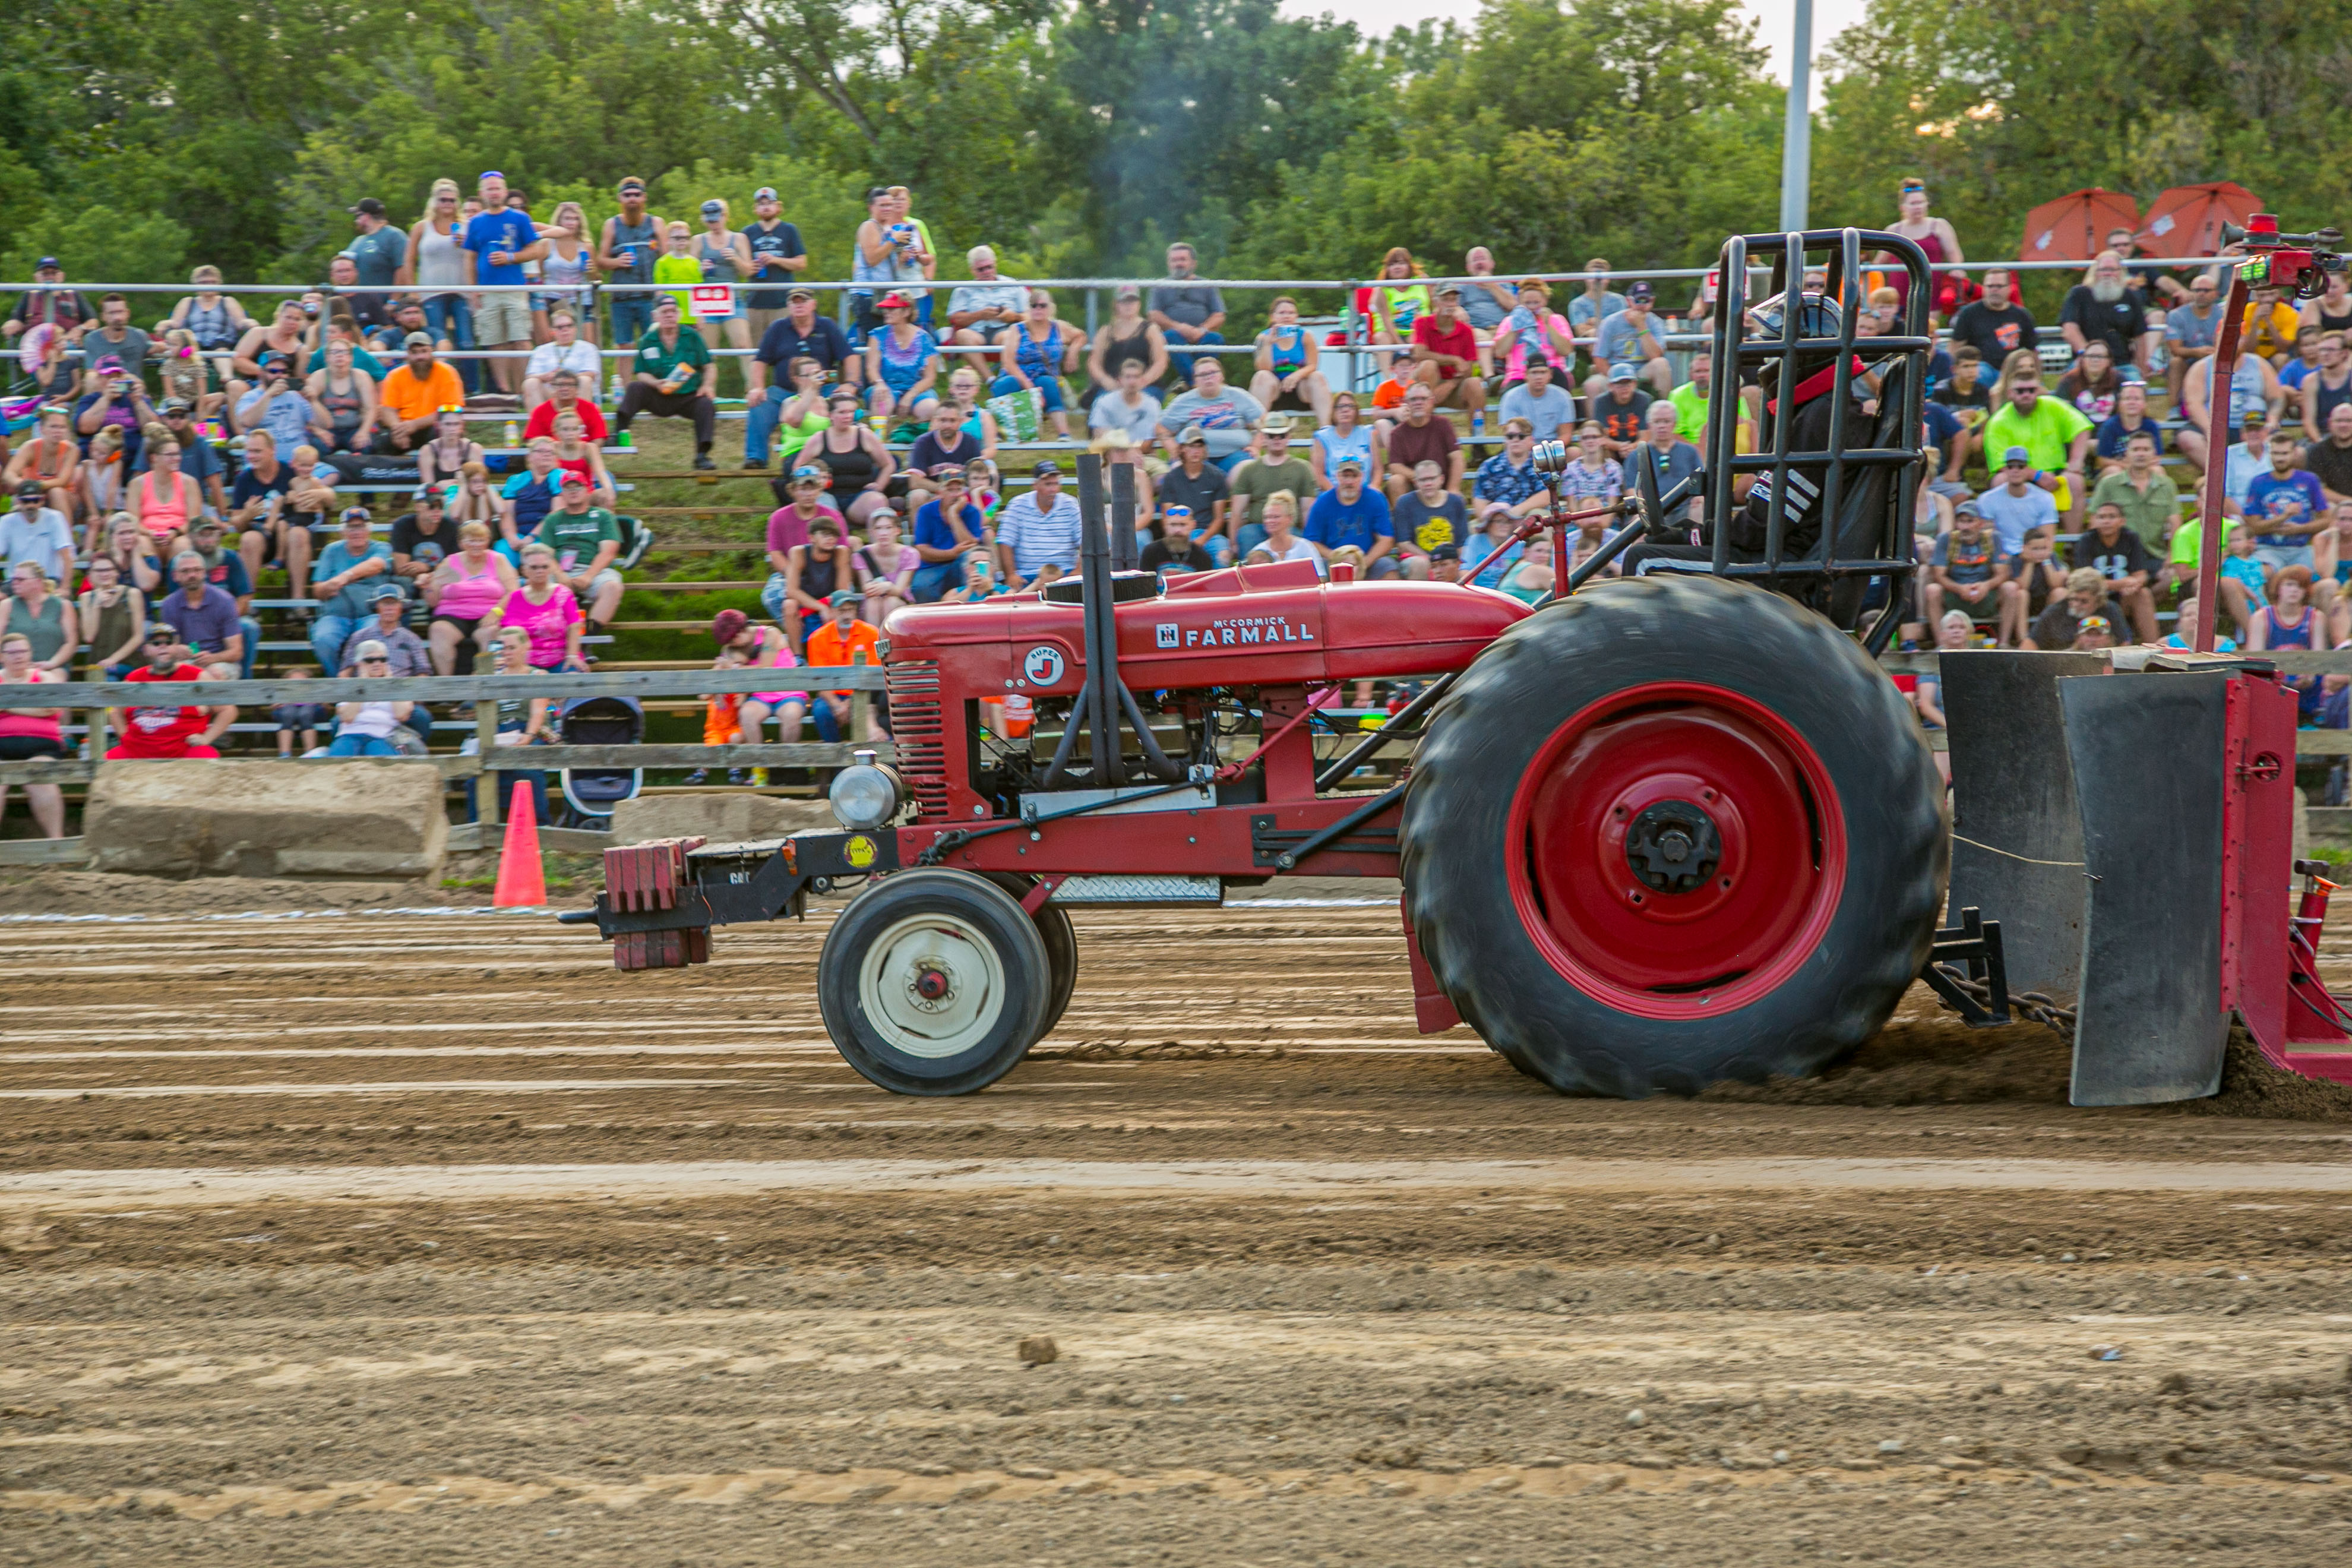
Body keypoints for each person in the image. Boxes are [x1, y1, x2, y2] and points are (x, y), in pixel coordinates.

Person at [745, 290, 858, 468]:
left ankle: (852, 451)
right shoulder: (777, 328)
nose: (799, 305)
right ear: (788, 306)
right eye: (794, 302)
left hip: (824, 390)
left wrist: (851, 384)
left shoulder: (827, 326)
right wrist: (758, 388)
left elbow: (849, 356)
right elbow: (760, 361)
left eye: (803, 301)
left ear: (813, 304)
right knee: (759, 405)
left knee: (844, 402)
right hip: (784, 391)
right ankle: (756, 459)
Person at [461, 171, 545, 396]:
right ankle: (505, 392)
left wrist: (510, 257)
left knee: (521, 340)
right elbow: (469, 258)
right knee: (494, 342)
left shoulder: (520, 218)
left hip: (514, 288)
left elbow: (535, 250)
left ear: (505, 191)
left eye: (497, 188)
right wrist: (472, 290)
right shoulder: (475, 222)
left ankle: (526, 390)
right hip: (487, 291)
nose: (494, 193)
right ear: (482, 193)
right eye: (489, 189)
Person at [106, 623, 235, 760]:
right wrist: (125, 737)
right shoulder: (133, 678)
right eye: (156, 643)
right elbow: (115, 712)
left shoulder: (198, 676)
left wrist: (206, 739)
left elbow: (228, 710)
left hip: (184, 751)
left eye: (169, 642)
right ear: (146, 650)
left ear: (176, 647)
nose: (163, 646)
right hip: (137, 751)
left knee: (206, 757)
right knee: (104, 765)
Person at [616, 298, 717, 469]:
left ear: (679, 315)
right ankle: (618, 433)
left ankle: (702, 456)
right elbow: (641, 373)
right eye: (665, 312)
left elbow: (709, 366)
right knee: (635, 387)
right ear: (655, 316)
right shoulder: (648, 340)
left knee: (706, 405)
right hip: (659, 396)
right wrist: (656, 383)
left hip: (689, 396)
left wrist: (707, 385)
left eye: (673, 311)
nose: (669, 315)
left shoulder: (692, 337)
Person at [1981, 372, 2092, 524]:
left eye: (2031, 390)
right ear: (2010, 393)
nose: (2026, 395)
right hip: (2019, 475)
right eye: (2020, 391)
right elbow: (2001, 465)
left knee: (2075, 480)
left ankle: (2071, 539)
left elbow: (2082, 427)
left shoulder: (2053, 405)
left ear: (2038, 391)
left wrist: (2076, 462)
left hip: (2056, 475)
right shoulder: (1998, 421)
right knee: (2001, 480)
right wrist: (2037, 475)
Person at [2239, 425, 2333, 576]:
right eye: (2275, 453)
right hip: (2268, 548)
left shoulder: (2309, 480)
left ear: (2294, 453)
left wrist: (2299, 529)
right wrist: (2284, 517)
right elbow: (2254, 528)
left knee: (2308, 576)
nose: (2280, 459)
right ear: (2269, 454)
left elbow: (2326, 520)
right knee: (2262, 574)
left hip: (2301, 548)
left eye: (2284, 453)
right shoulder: (2258, 482)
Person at [0, 630, 68, 836]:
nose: (18, 656)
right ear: (2, 656)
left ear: (30, 653)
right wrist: (34, 707)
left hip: (42, 747)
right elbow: (43, 709)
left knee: (41, 780)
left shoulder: (45, 677)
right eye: (12, 653)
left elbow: (52, 708)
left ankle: (56, 845)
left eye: (23, 651)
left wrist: (7, 706)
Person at [539, 472, 625, 634]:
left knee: (612, 587)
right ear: (562, 493)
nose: (573, 491)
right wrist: (560, 576)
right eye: (568, 488)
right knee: (536, 583)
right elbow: (546, 554)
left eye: (578, 487)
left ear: (587, 490)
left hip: (594, 570)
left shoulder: (603, 516)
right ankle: (551, 634)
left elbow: (609, 552)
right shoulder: (553, 519)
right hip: (558, 571)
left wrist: (589, 576)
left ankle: (589, 633)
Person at [2180, 346, 2281, 478]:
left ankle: (2259, 478)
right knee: (2188, 439)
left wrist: (2273, 419)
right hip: (2215, 424)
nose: (2234, 342)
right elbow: (2193, 403)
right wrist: (2209, 429)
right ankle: (2222, 478)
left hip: (2255, 422)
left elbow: (2277, 398)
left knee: (2279, 442)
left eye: (2240, 338)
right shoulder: (2202, 367)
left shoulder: (2258, 363)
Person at [802, 391, 897, 529]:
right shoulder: (819, 439)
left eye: (851, 412)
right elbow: (798, 468)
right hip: (827, 494)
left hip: (860, 496)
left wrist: (879, 485)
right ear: (831, 415)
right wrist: (814, 484)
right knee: (822, 505)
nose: (848, 416)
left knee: (877, 501)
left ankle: (875, 541)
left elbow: (888, 464)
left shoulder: (865, 435)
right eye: (842, 412)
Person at [992, 291, 1077, 440]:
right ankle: (997, 432)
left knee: (1048, 383)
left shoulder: (1058, 328)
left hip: (1045, 376)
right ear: (1028, 308)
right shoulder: (1017, 329)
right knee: (1007, 383)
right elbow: (1008, 362)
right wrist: (1029, 387)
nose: (1038, 309)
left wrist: (1073, 353)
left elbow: (1081, 336)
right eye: (1034, 305)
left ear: (1051, 308)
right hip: (1017, 374)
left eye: (1043, 306)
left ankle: (1064, 434)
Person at [1226, 418, 1317, 557]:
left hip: (1289, 528)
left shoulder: (1303, 468)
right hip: (1257, 527)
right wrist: (1233, 543)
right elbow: (1237, 511)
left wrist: (1310, 541)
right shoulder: (1249, 469)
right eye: (1271, 435)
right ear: (1264, 438)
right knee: (1246, 534)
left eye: (1282, 435)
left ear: (1288, 437)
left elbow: (1307, 510)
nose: (1277, 439)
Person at [1878, 179, 1967, 318]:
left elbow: (1954, 255)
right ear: (1903, 207)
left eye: (1921, 202)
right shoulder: (1894, 230)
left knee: (1928, 327)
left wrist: (1957, 270)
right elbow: (1879, 262)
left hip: (1929, 288)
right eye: (1913, 204)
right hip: (1899, 292)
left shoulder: (1939, 226)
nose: (1918, 207)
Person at [593, 176, 665, 347]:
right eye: (627, 195)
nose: (632, 199)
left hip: (650, 296)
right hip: (621, 297)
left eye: (637, 195)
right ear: (620, 198)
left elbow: (666, 260)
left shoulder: (656, 223)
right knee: (624, 347)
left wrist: (662, 293)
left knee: (655, 345)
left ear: (644, 197)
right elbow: (600, 261)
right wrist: (617, 262)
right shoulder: (612, 224)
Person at [1159, 357, 1263, 472]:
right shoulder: (1183, 401)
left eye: (1213, 373)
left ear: (1222, 376)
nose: (1208, 377)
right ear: (1195, 381)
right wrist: (1175, 450)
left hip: (1236, 455)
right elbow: (1162, 428)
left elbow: (1264, 421)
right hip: (1195, 457)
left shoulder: (1238, 396)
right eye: (1202, 375)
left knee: (1247, 470)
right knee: (1183, 470)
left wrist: (1255, 447)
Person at [804, 589, 883, 741]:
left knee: (872, 708)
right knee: (821, 711)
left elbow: (872, 675)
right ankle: (835, 753)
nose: (847, 615)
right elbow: (820, 681)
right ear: (832, 612)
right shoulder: (817, 638)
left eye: (850, 610)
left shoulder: (872, 633)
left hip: (864, 691)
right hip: (832, 693)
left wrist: (848, 704)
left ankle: (871, 752)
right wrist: (837, 705)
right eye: (841, 611)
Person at [2086, 428, 2180, 552]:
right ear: (2126, 454)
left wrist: (2171, 558)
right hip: (2119, 556)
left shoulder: (2167, 485)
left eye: (2146, 450)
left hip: (2155, 555)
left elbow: (2175, 523)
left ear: (2154, 454)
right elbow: (2095, 522)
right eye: (2135, 450)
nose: (2141, 454)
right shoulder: (2108, 484)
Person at [995, 461, 1083, 589]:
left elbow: (1085, 540)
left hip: (1064, 573)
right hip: (1027, 575)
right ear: (1035, 486)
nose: (1053, 489)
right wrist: (1011, 575)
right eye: (1048, 484)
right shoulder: (1018, 504)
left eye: (1056, 484)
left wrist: (1078, 570)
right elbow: (1005, 542)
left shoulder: (1070, 504)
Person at [1303, 457, 1396, 578]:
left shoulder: (1375, 498)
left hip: (1367, 560)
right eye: (1345, 476)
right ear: (1337, 476)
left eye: (1354, 476)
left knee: (1388, 567)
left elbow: (1386, 539)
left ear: (1362, 477)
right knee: (1314, 570)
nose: (1349, 482)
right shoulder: (1323, 502)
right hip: (1333, 561)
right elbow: (1311, 541)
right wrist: (1337, 558)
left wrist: (1363, 563)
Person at [375, 332, 466, 456]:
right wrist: (398, 430)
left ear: (432, 351)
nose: (420, 357)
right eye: (414, 352)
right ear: (407, 355)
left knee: (445, 431)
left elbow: (450, 411)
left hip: (434, 427)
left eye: (424, 351)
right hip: (403, 428)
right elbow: (387, 410)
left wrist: (415, 425)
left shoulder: (447, 373)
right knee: (382, 442)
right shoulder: (395, 375)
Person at [2059, 251, 2152, 372]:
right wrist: (2088, 355)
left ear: (2121, 272)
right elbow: (2069, 330)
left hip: (2122, 365)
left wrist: (2141, 369)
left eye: (2113, 270)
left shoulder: (2131, 296)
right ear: (2095, 272)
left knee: (2134, 382)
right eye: (2103, 269)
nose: (2108, 273)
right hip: (2085, 364)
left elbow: (2140, 337)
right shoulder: (2078, 294)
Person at [321, 641, 417, 757]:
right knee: (338, 760)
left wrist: (390, 682)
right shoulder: (350, 686)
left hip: (384, 736)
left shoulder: (398, 686)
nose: (377, 664)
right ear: (359, 664)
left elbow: (402, 715)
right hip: (350, 735)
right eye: (370, 660)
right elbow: (348, 717)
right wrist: (363, 684)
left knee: (382, 760)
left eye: (382, 659)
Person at [1149, 242, 1226, 387]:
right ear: (1168, 263)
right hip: (1173, 336)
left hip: (1202, 335)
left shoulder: (1207, 285)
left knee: (1216, 339)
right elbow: (1154, 315)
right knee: (1170, 336)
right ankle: (1196, 383)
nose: (1178, 264)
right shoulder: (1160, 286)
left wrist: (1201, 330)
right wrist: (1178, 327)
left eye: (1182, 259)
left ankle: (1188, 383)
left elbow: (1219, 315)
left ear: (1193, 263)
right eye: (1174, 260)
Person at [907, 470, 989, 604]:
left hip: (961, 565)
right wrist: (952, 553)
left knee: (969, 557)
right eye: (950, 490)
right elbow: (922, 550)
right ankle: (931, 617)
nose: (955, 494)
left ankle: (970, 611)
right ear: (940, 492)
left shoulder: (972, 512)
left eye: (959, 489)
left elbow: (971, 549)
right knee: (921, 587)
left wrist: (953, 514)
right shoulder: (926, 511)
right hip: (932, 566)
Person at [1407, 286, 1488, 419]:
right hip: (1424, 384)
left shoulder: (1466, 331)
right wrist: (1454, 360)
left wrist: (1450, 385)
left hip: (1454, 384)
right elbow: (1419, 354)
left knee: (1476, 383)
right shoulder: (1422, 323)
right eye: (1445, 300)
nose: (1450, 304)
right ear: (1435, 301)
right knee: (1429, 365)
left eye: (1453, 300)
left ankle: (1478, 431)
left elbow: (1468, 368)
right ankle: (1424, 420)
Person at [864, 292, 943, 427]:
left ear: (906, 311)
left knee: (930, 407)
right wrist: (879, 383)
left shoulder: (924, 338)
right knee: (880, 399)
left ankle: (915, 437)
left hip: (916, 389)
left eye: (892, 309)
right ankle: (879, 438)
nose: (886, 312)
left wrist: (910, 395)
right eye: (886, 309)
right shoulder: (877, 335)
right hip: (885, 387)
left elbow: (930, 377)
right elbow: (871, 368)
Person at [1250, 296, 1332, 423]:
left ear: (1296, 316)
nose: (1287, 316)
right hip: (1274, 389)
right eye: (1282, 313)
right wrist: (1268, 345)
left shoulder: (1306, 336)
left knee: (1318, 377)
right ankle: (1258, 428)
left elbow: (1313, 365)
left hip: (1301, 389)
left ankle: (1326, 428)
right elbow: (1263, 368)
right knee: (1262, 377)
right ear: (1273, 317)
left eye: (1291, 313)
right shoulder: (1263, 337)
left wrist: (1295, 376)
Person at [1974, 445, 2064, 557]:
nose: (2015, 470)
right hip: (2001, 555)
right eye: (2010, 467)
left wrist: (2031, 556)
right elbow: (1987, 540)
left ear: (2027, 469)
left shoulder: (2045, 498)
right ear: (2005, 470)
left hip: (2035, 553)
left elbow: (2048, 539)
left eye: (2021, 467)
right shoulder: (1987, 499)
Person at [1588, 282, 1671, 400]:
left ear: (1652, 301)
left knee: (1661, 364)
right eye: (1638, 301)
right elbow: (1599, 358)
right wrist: (1618, 380)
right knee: (1592, 385)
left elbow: (1655, 356)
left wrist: (1641, 326)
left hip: (1641, 371)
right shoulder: (1610, 322)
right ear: (1629, 301)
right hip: (1614, 372)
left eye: (1646, 301)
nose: (1642, 305)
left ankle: (1663, 408)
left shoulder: (1656, 322)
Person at [1159, 426, 1234, 555]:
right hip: (1180, 530)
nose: (1196, 451)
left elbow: (1219, 519)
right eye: (1191, 446)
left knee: (1223, 555)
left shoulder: (1217, 476)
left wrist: (1202, 540)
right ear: (1182, 449)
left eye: (1200, 446)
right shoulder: (1171, 478)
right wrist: (1180, 533)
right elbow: (1167, 517)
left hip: (1208, 533)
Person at [1381, 381, 1462, 500]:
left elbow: (1457, 458)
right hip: (1414, 487)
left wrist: (1453, 489)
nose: (1418, 403)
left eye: (1423, 399)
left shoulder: (1444, 425)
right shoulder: (1397, 433)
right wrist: (1423, 478)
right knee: (1395, 481)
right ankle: (1403, 512)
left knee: (1457, 496)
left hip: (1441, 486)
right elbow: (1395, 467)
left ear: (1431, 401)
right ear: (1406, 402)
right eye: (1413, 399)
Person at [1088, 283, 1169, 400]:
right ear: (1116, 304)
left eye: (1133, 301)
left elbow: (1161, 362)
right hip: (1112, 386)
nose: (1129, 305)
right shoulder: (1105, 331)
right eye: (1124, 301)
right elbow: (1094, 363)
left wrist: (1142, 382)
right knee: (1104, 402)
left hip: (1146, 386)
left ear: (1139, 304)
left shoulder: (1151, 330)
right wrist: (1105, 381)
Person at [1493, 279, 1575, 390]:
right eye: (1527, 303)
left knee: (1558, 378)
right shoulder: (1510, 321)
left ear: (1545, 301)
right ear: (1520, 302)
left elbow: (1565, 351)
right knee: (1511, 393)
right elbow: (1500, 353)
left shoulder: (1557, 320)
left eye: (1536, 303)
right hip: (1519, 374)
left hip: (1551, 371)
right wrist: (1515, 328)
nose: (1532, 307)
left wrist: (1548, 325)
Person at [4, 406, 80, 524]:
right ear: (42, 429)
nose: (58, 431)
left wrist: (36, 485)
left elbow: (62, 481)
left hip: (64, 498)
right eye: (53, 426)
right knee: (23, 497)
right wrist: (24, 485)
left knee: (56, 492)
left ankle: (66, 534)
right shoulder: (30, 448)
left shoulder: (72, 450)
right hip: (34, 496)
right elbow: (9, 474)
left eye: (62, 427)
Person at [1948, 269, 2037, 369]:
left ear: (2010, 288)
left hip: (2012, 371)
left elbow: (2032, 351)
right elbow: (1955, 347)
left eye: (1999, 286)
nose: (1994, 290)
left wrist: (2037, 375)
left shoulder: (2022, 315)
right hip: (1978, 371)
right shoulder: (1968, 314)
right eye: (1990, 286)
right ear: (1983, 288)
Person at [77, 553, 147, 678]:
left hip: (127, 662)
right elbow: (89, 637)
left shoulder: (131, 594)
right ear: (90, 575)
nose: (104, 574)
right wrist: (96, 605)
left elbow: (138, 637)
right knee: (107, 678)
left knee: (110, 678)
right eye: (99, 570)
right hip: (98, 665)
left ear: (117, 573)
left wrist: (113, 660)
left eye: (109, 569)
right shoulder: (86, 598)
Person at [1392, 459, 1469, 571]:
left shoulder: (1456, 502)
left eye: (1432, 479)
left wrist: (1451, 563)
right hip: (1417, 559)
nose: (1428, 483)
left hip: (1450, 559)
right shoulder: (1404, 503)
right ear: (1416, 482)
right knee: (1420, 564)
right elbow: (1403, 544)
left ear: (1441, 479)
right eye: (1423, 480)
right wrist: (1434, 561)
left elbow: (1462, 543)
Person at [1999, 523, 2068, 647]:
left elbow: (2056, 584)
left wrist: (2046, 562)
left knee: (2060, 592)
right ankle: (2023, 639)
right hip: (2022, 604)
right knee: (2022, 594)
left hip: (2044, 601)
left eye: (2043, 548)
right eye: (2035, 549)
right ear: (2024, 548)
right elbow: (2023, 585)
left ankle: (2053, 639)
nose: (2040, 553)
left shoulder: (2050, 558)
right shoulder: (2017, 559)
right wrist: (2029, 563)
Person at [304, 339, 378, 455]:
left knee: (366, 446)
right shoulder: (317, 378)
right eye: (335, 352)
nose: (340, 356)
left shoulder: (361, 377)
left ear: (351, 357)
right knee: (317, 447)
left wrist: (364, 432)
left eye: (344, 352)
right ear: (327, 358)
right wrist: (318, 431)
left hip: (354, 428)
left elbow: (371, 409)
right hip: (327, 429)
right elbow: (303, 411)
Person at [946, 245, 1029, 349]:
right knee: (962, 335)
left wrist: (1014, 317)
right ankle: (979, 361)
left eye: (989, 267)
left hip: (1004, 330)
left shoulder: (1013, 285)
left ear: (995, 264)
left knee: (1011, 336)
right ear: (972, 270)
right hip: (976, 332)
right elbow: (955, 319)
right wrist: (980, 315)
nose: (987, 272)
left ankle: (1007, 360)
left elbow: (1031, 317)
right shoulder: (963, 290)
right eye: (981, 269)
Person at [2025, 565, 2122, 651]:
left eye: (2084, 601)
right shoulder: (2055, 612)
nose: (2076, 604)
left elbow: (2124, 645)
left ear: (2098, 600)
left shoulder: (2111, 610)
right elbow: (2029, 645)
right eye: (2073, 599)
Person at [2165, 271, 2225, 405]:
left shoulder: (2223, 315)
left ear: (2216, 294)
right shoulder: (2176, 315)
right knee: (2176, 362)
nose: (2201, 294)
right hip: (2188, 360)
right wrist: (2196, 352)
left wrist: (2212, 353)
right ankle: (2174, 407)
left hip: (2215, 359)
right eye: (2197, 290)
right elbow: (2175, 350)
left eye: (2206, 290)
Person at [520, 309, 599, 410]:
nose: (565, 330)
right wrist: (545, 377)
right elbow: (530, 375)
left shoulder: (588, 348)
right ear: (552, 331)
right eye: (560, 327)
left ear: (575, 329)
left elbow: (591, 373)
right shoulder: (541, 350)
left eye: (569, 326)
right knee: (530, 383)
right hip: (550, 389)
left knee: (585, 380)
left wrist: (565, 379)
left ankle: (580, 419)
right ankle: (540, 419)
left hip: (575, 388)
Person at [1472, 420, 1550, 519]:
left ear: (1531, 439)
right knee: (1474, 526)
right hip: (1497, 520)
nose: (1515, 440)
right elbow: (1480, 501)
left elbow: (1546, 496)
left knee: (1540, 516)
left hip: (1530, 520)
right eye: (1510, 436)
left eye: (1521, 436)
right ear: (1505, 440)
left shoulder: (1542, 463)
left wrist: (1513, 513)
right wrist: (1494, 521)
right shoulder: (1489, 466)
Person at [4, 482, 74, 588]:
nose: (31, 505)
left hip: (48, 580)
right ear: (19, 501)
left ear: (42, 500)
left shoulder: (55, 518)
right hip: (16, 581)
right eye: (26, 501)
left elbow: (67, 556)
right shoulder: (7, 521)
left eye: (35, 500)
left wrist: (65, 588)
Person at [855, 510, 915, 625]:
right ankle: (874, 636)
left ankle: (891, 636)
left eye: (888, 528)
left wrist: (888, 587)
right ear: (872, 532)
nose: (883, 533)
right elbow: (868, 589)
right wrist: (878, 588)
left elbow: (899, 590)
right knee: (873, 603)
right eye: (879, 528)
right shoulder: (862, 555)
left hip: (900, 600)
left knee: (890, 602)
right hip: (874, 601)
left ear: (897, 531)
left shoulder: (910, 554)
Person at [1089, 357, 1164, 451]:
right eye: (1128, 377)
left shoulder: (1152, 404)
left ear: (1143, 380)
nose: (1132, 382)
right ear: (1120, 380)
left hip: (1142, 454)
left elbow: (1149, 440)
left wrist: (1131, 453)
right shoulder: (1104, 402)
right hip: (1112, 454)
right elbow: (1099, 433)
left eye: (1136, 377)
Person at [1588, 363, 1654, 459]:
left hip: (1637, 448)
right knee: (1601, 449)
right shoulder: (1601, 402)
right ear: (1610, 386)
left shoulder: (1644, 400)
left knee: (1648, 449)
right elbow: (1602, 437)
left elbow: (1646, 436)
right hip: (1612, 449)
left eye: (1628, 383)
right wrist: (1620, 447)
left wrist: (1631, 448)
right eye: (1619, 383)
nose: (1625, 387)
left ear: (1635, 384)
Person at [2056, 341, 2122, 421]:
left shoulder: (2119, 379)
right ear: (2083, 360)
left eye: (2100, 357)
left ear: (2109, 361)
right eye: (2091, 356)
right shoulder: (2069, 380)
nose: (2095, 360)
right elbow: (2061, 412)